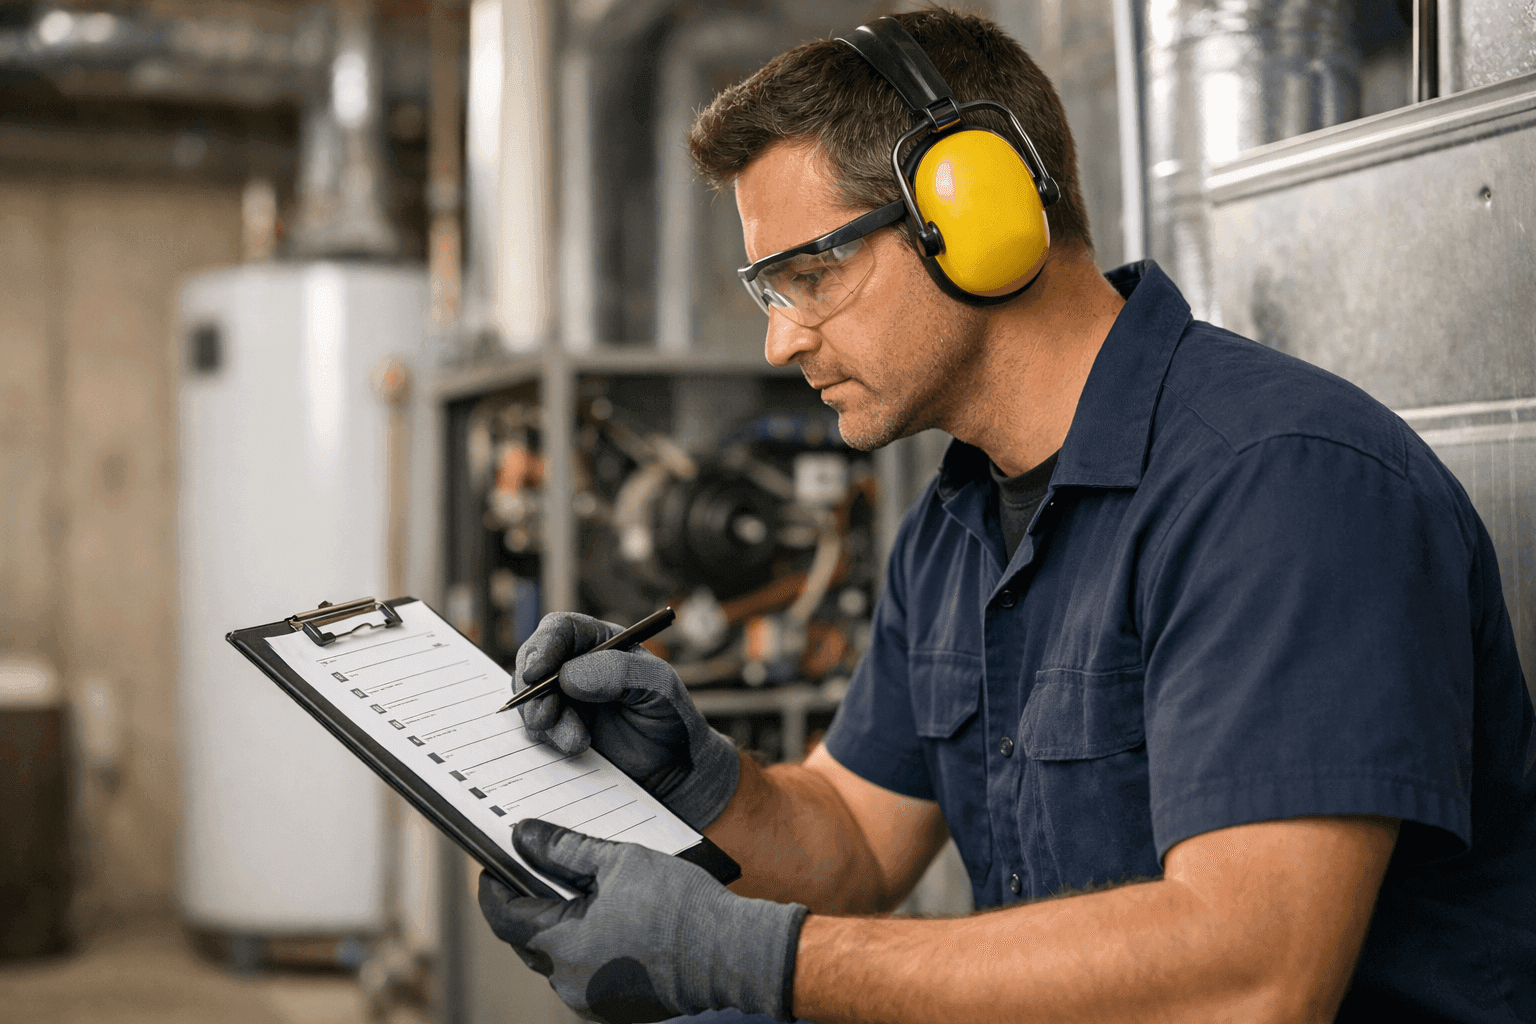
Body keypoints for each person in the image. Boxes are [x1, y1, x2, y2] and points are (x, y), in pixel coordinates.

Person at [476, 9, 1536, 1023]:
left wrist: (745, 952)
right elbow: (854, 840)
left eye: (811, 273)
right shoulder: (955, 527)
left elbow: (1251, 980)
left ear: (974, 211)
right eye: (771, 290)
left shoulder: (1281, 484)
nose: (781, 343)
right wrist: (696, 777)